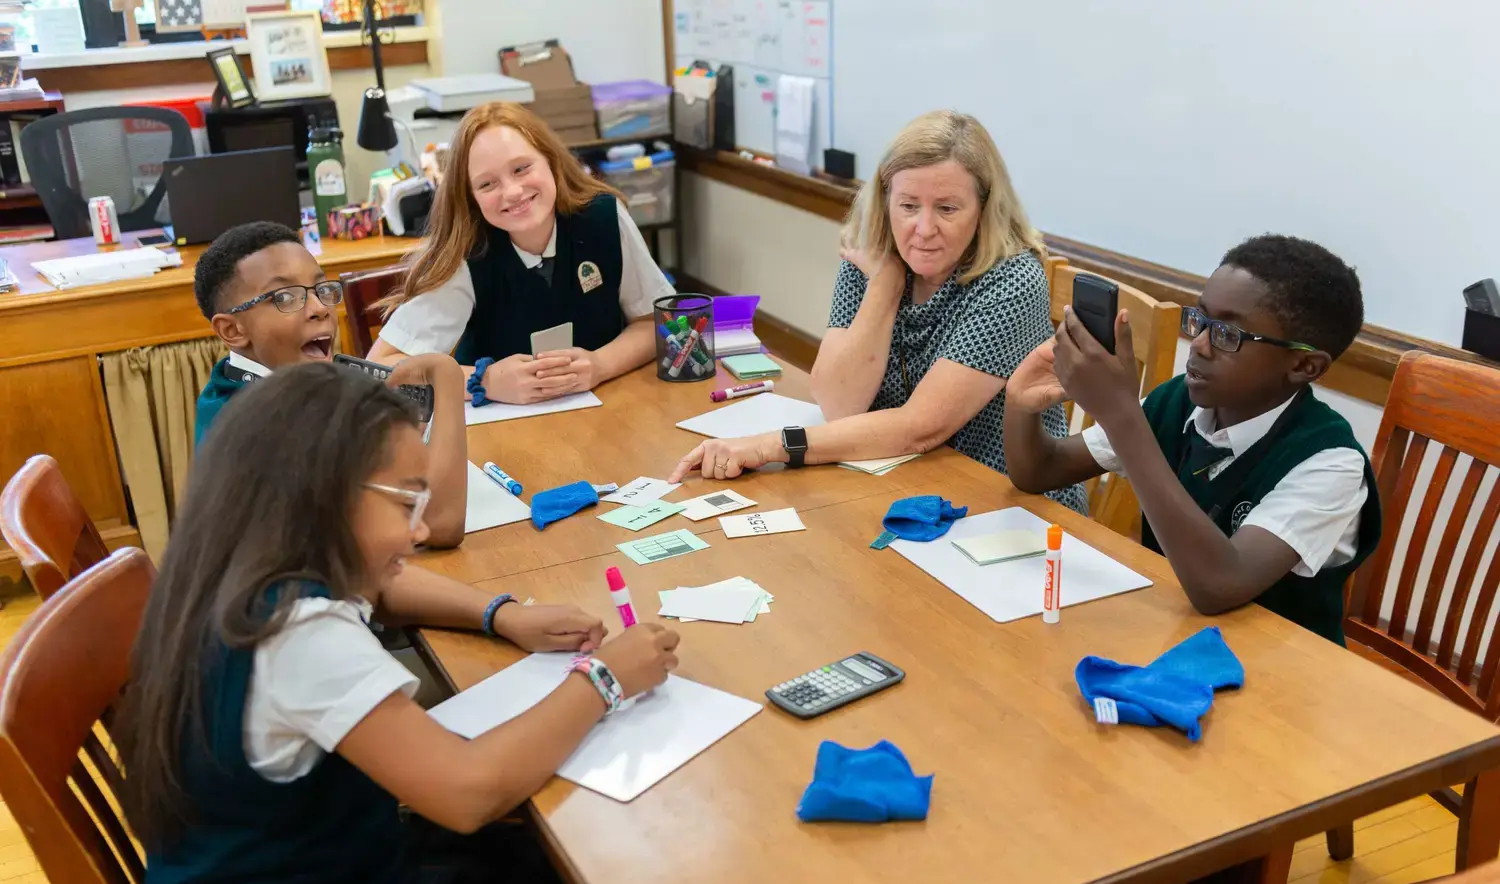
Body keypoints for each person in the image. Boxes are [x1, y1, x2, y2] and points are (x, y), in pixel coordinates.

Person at [118, 363, 679, 884]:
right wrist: (604, 680)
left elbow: (388, 594)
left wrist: (501, 614)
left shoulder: (233, 571)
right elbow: (468, 793)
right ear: (322, 494)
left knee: (583, 874)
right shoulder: (297, 635)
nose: (419, 530)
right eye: (407, 501)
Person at [667, 110, 1085, 512]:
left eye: (947, 208)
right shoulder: (874, 258)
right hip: (906, 485)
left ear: (984, 209)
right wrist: (886, 284)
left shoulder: (1012, 279)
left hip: (1009, 503)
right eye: (907, 206)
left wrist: (766, 446)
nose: (922, 229)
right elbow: (838, 402)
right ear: (886, 203)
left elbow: (920, 428)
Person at [1003, 234, 1382, 644]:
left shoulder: (1330, 463)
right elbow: (1039, 470)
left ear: (1304, 365)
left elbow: (1220, 584)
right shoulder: (1178, 402)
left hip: (1279, 666)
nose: (1198, 344)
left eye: (1228, 334)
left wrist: (1120, 412)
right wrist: (1022, 403)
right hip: (1173, 633)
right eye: (1199, 321)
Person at [367, 102, 675, 405]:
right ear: (470, 197)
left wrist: (600, 365)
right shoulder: (468, 254)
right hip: (501, 438)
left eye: (521, 168)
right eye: (487, 184)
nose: (512, 192)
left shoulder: (603, 218)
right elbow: (382, 368)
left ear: (551, 161)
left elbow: (656, 321)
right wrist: (485, 382)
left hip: (609, 419)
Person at [192, 221, 469, 547]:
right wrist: (447, 376)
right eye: (285, 297)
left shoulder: (252, 384)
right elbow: (438, 524)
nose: (320, 308)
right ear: (232, 330)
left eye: (321, 290)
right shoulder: (263, 429)